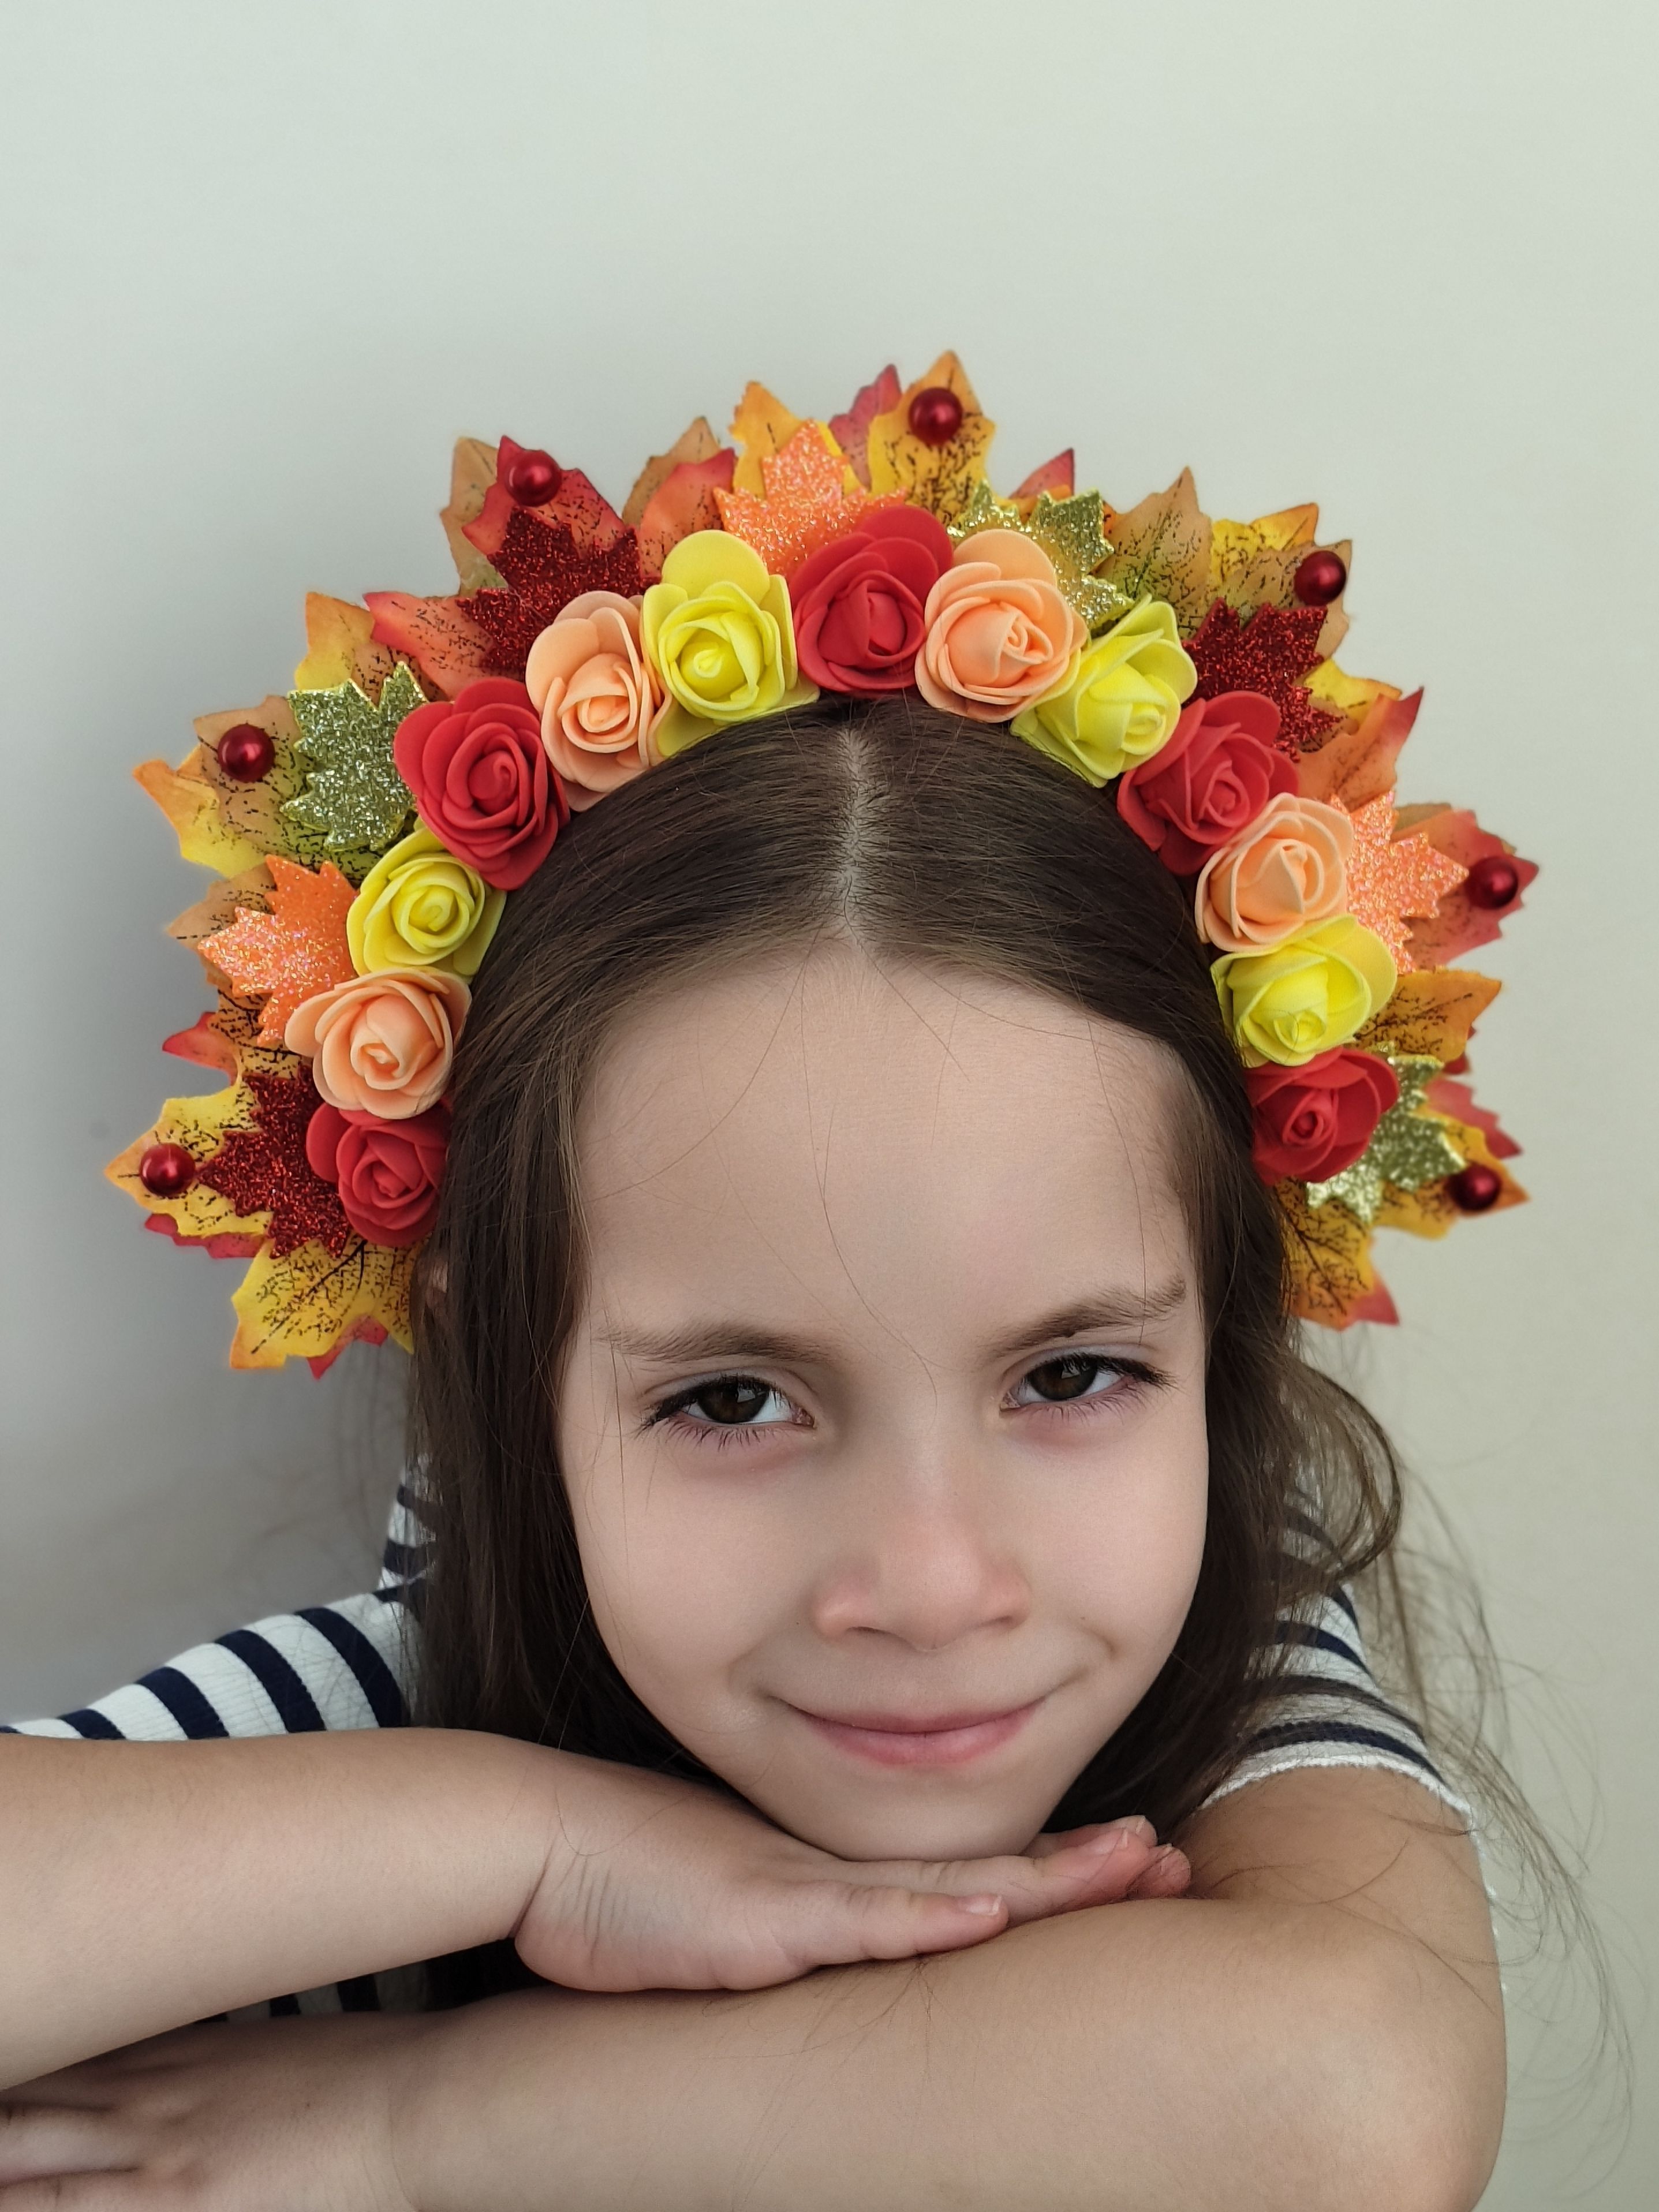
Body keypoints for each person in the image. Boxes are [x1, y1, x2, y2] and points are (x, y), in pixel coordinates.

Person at [0, 386, 1519, 2206]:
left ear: (1221, 1340)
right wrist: (533, 1842)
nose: (932, 1586)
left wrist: (409, 2122)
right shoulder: (413, 1705)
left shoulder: (1230, 1680)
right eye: (729, 1399)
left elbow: (1347, 2096)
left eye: (1071, 1377)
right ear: (512, 1362)